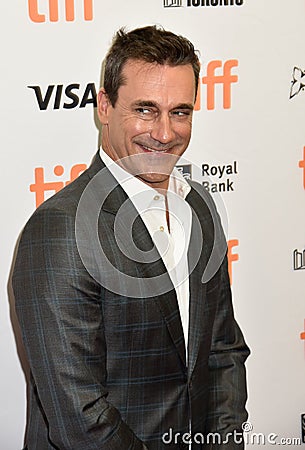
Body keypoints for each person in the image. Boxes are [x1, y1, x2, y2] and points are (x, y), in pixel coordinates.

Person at [12, 25, 250, 450]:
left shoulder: (199, 208)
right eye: (145, 109)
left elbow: (223, 350)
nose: (164, 133)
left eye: (180, 111)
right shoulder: (59, 231)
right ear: (104, 105)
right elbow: (79, 417)